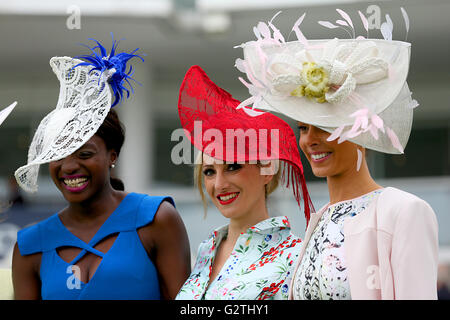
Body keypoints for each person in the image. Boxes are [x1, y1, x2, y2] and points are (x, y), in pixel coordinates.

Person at [233, 9, 439, 299]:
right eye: (303, 128)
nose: (310, 140)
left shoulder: (402, 211)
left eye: (325, 127)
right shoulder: (320, 221)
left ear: (360, 128)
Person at [11, 38, 191, 300]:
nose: (69, 166)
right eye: (57, 155)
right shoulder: (30, 246)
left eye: (85, 154)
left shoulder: (156, 219)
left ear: (112, 156)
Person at [175, 66, 314, 300]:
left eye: (233, 167)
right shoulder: (205, 251)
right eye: (209, 172)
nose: (219, 184)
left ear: (268, 170)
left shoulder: (297, 256)